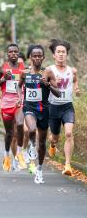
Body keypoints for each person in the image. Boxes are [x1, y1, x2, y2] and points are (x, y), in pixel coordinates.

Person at [17, 44, 60, 183]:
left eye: (39, 56)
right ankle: (30, 146)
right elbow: (19, 85)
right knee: (31, 129)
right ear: (30, 57)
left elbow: (58, 93)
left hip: (44, 110)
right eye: (34, 56)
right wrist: (19, 98)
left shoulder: (47, 72)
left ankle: (39, 170)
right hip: (29, 107)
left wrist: (47, 85)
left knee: (41, 144)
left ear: (43, 57)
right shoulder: (24, 72)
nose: (37, 58)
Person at [48, 39, 81, 176]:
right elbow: (44, 85)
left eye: (63, 52)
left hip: (67, 107)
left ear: (66, 54)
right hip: (53, 107)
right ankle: (53, 145)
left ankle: (67, 165)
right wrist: (54, 82)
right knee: (54, 137)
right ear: (54, 55)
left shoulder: (72, 70)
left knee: (68, 134)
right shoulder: (49, 70)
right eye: (58, 52)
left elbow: (75, 82)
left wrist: (77, 89)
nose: (61, 54)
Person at [0, 44, 26, 172]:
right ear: (7, 54)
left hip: (19, 102)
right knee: (10, 133)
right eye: (10, 52)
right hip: (6, 103)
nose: (13, 54)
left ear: (18, 53)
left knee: (21, 124)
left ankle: (20, 153)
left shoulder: (24, 69)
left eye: (15, 52)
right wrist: (2, 80)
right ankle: (6, 155)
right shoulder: (1, 69)